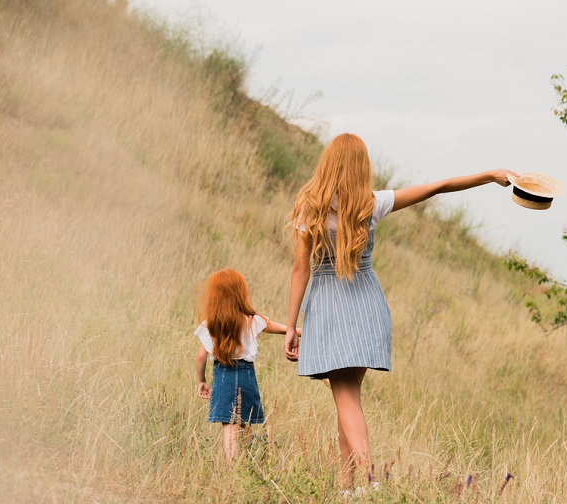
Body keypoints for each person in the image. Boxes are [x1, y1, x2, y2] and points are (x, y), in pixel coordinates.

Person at [284, 133, 518, 485]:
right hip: (368, 307)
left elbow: (300, 269)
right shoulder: (372, 204)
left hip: (330, 310)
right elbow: (437, 187)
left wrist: (290, 325)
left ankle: (369, 481)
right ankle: (347, 488)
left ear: (328, 163)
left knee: (346, 401)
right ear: (361, 166)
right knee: (349, 402)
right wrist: (488, 175)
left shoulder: (310, 207)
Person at [195, 269, 297, 463]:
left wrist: (202, 381)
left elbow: (201, 356)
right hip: (246, 376)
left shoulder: (211, 324)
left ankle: (232, 468)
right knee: (244, 423)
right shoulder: (252, 320)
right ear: (241, 293)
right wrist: (304, 331)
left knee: (229, 426)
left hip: (222, 377)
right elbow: (286, 329)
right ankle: (245, 465)